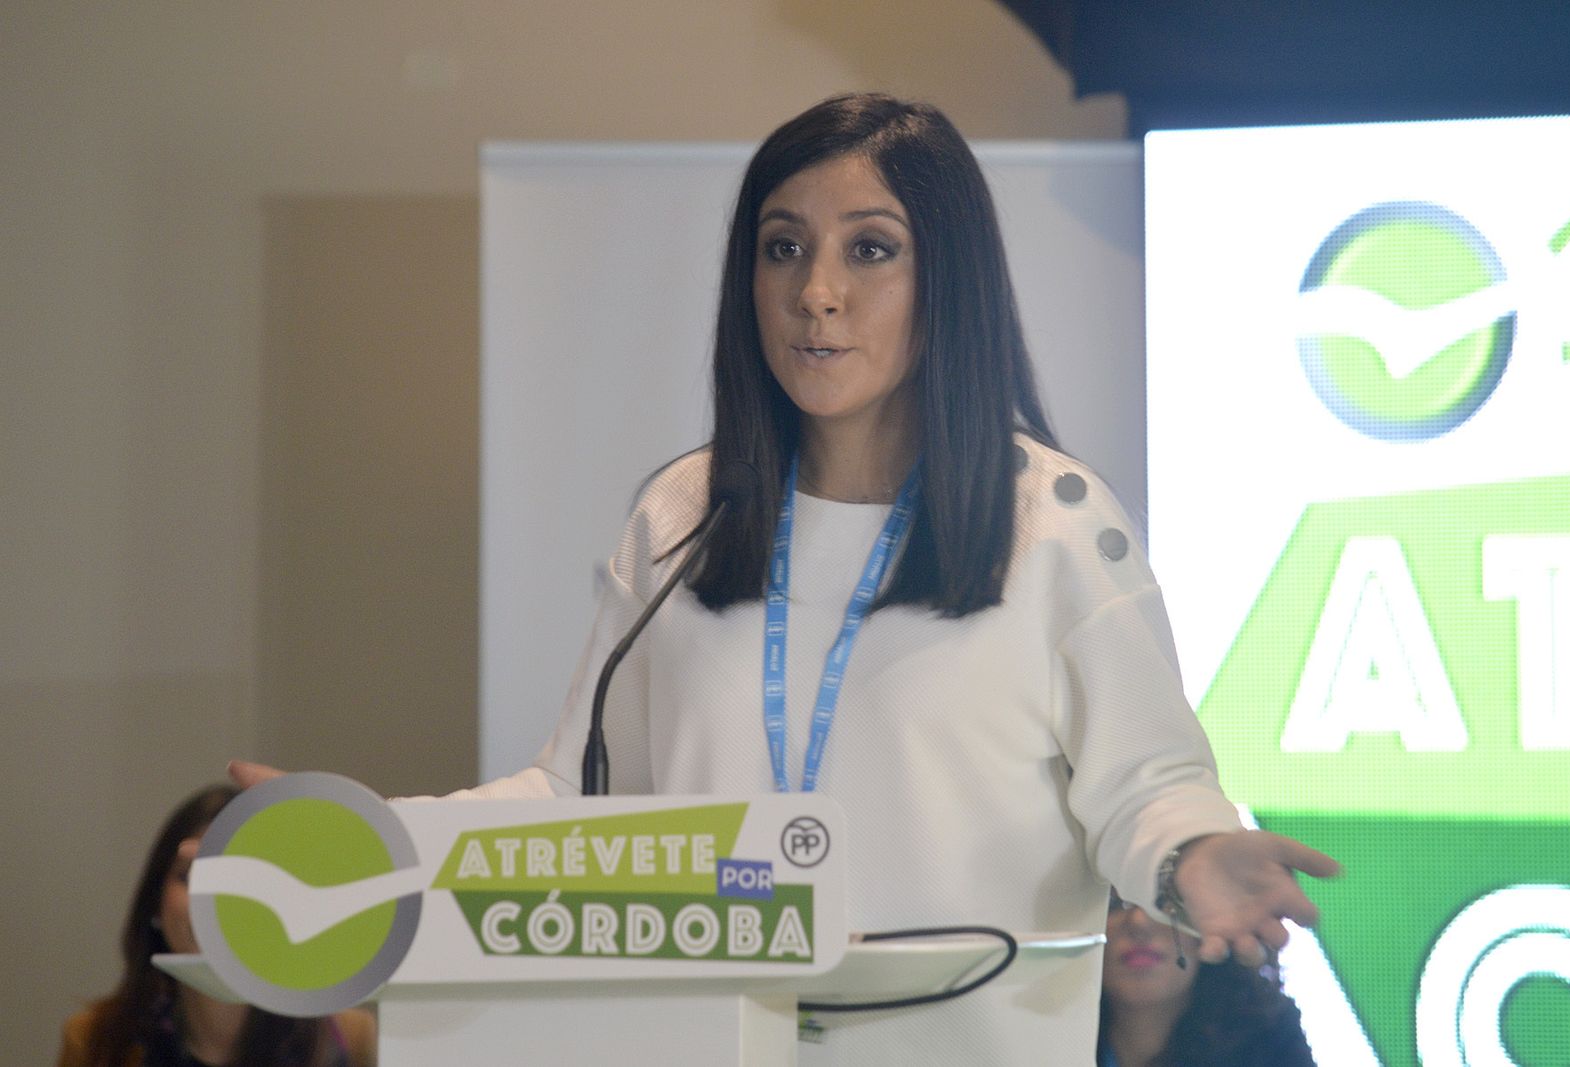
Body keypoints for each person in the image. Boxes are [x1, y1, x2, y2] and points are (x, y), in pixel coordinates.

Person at [234, 91, 1337, 1064]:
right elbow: (581, 797)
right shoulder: (683, 514)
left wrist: (1194, 851)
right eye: (782, 247)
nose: (816, 292)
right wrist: (375, 840)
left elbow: (1143, 782)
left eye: (870, 249)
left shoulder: (1053, 522)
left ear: (947, 278)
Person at [57, 784, 376, 1067]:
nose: (214, 903)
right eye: (191, 876)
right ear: (155, 901)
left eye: (240, 882)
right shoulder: (94, 1042)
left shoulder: (349, 1039)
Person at [1097, 890, 1315, 1067]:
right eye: (1115, 903)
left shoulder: (1271, 1038)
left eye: (1165, 901)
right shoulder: (1074, 1037)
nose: (1139, 922)